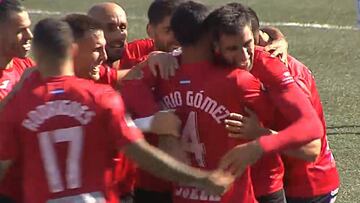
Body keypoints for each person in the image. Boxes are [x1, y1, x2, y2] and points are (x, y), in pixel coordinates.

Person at [0, 18, 233, 203]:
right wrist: (201, 179)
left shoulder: (19, 106)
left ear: (37, 55)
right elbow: (143, 155)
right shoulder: (101, 97)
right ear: (72, 50)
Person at [222, 4, 340, 203]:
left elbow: (310, 150)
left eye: (244, 45)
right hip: (280, 180)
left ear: (255, 39)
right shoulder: (258, 58)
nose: (241, 56)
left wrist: (258, 133)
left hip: (309, 188)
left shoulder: (288, 77)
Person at [0, 0, 34, 202]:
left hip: (28, 187)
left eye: (29, 28)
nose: (29, 36)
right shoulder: (25, 76)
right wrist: (19, 90)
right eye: (21, 30)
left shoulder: (25, 65)